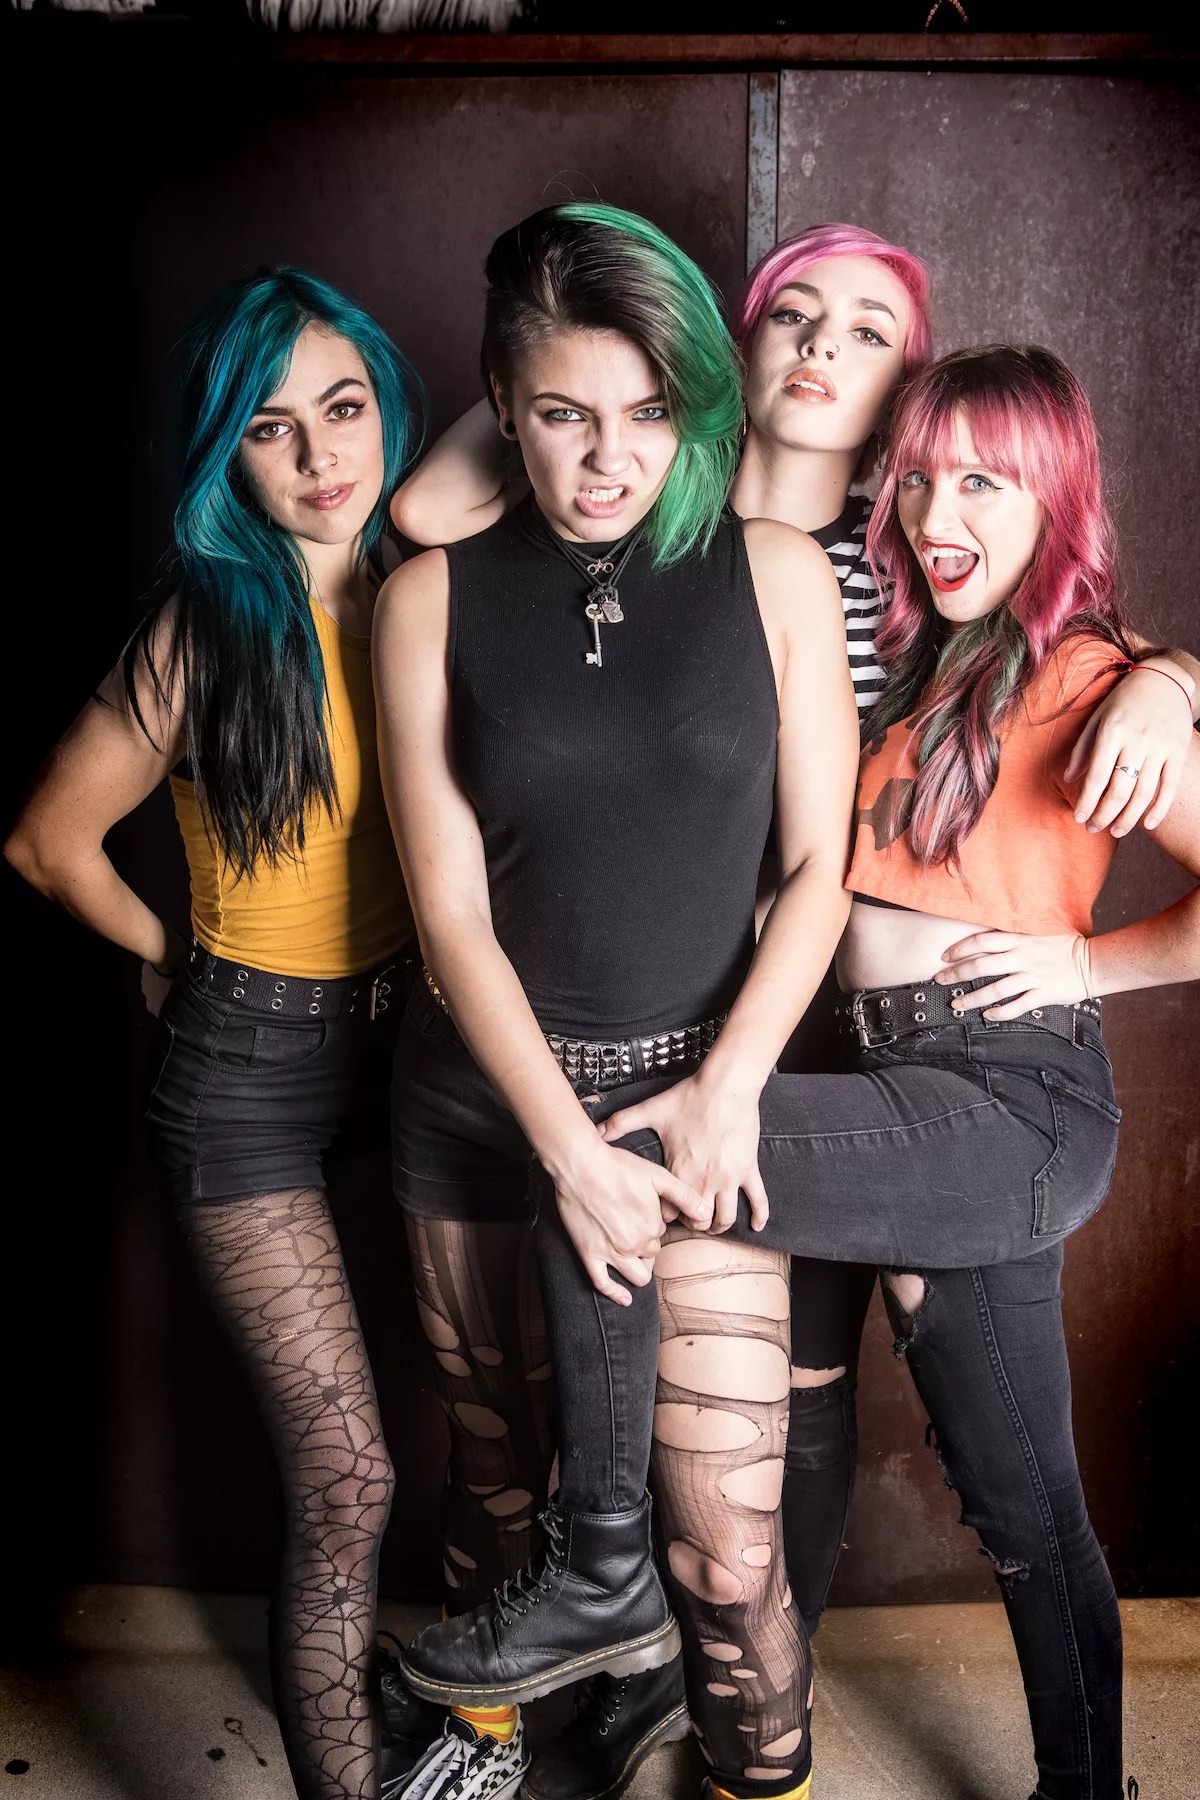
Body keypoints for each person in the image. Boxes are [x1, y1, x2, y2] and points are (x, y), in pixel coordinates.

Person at [390, 222, 1198, 1800]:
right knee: (983, 1481)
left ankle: (608, 1580)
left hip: (992, 1087)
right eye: (929, 483)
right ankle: (746, 1695)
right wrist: (555, 353)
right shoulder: (914, 636)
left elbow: (1073, 689)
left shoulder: (1084, 669)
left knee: (633, 1169)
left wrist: (1158, 722)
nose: (945, 514)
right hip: (866, 1070)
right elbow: (442, 511)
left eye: (990, 486)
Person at [373, 198, 859, 1800]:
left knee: (722, 1543)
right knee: (498, 1484)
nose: (609, 460)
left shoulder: (775, 574)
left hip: (697, 1098)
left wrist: (727, 1089)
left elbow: (821, 869)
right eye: (564, 414)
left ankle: (731, 1758)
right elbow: (448, 911)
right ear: (500, 406)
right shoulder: (430, 598)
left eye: (649, 414)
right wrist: (563, 1150)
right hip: (485, 1101)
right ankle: (496, 1758)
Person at [4, 268, 425, 1800]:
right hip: (247, 1072)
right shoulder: (205, 628)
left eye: (344, 406)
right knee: (350, 1474)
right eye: (269, 425)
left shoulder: (435, 586)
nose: (319, 454)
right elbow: (47, 841)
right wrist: (176, 957)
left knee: (489, 1428)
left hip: (420, 1049)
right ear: (224, 453)